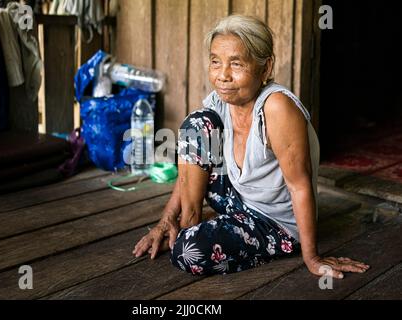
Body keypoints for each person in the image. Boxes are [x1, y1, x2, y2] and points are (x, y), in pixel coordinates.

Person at [133, 14, 370, 278]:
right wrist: (166, 219)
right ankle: (188, 223)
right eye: (215, 62)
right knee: (196, 124)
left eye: (236, 64)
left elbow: (299, 185)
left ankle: (197, 234)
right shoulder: (219, 103)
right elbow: (193, 164)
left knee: (188, 251)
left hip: (273, 223)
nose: (223, 75)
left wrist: (312, 257)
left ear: (265, 68)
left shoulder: (277, 107)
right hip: (238, 200)